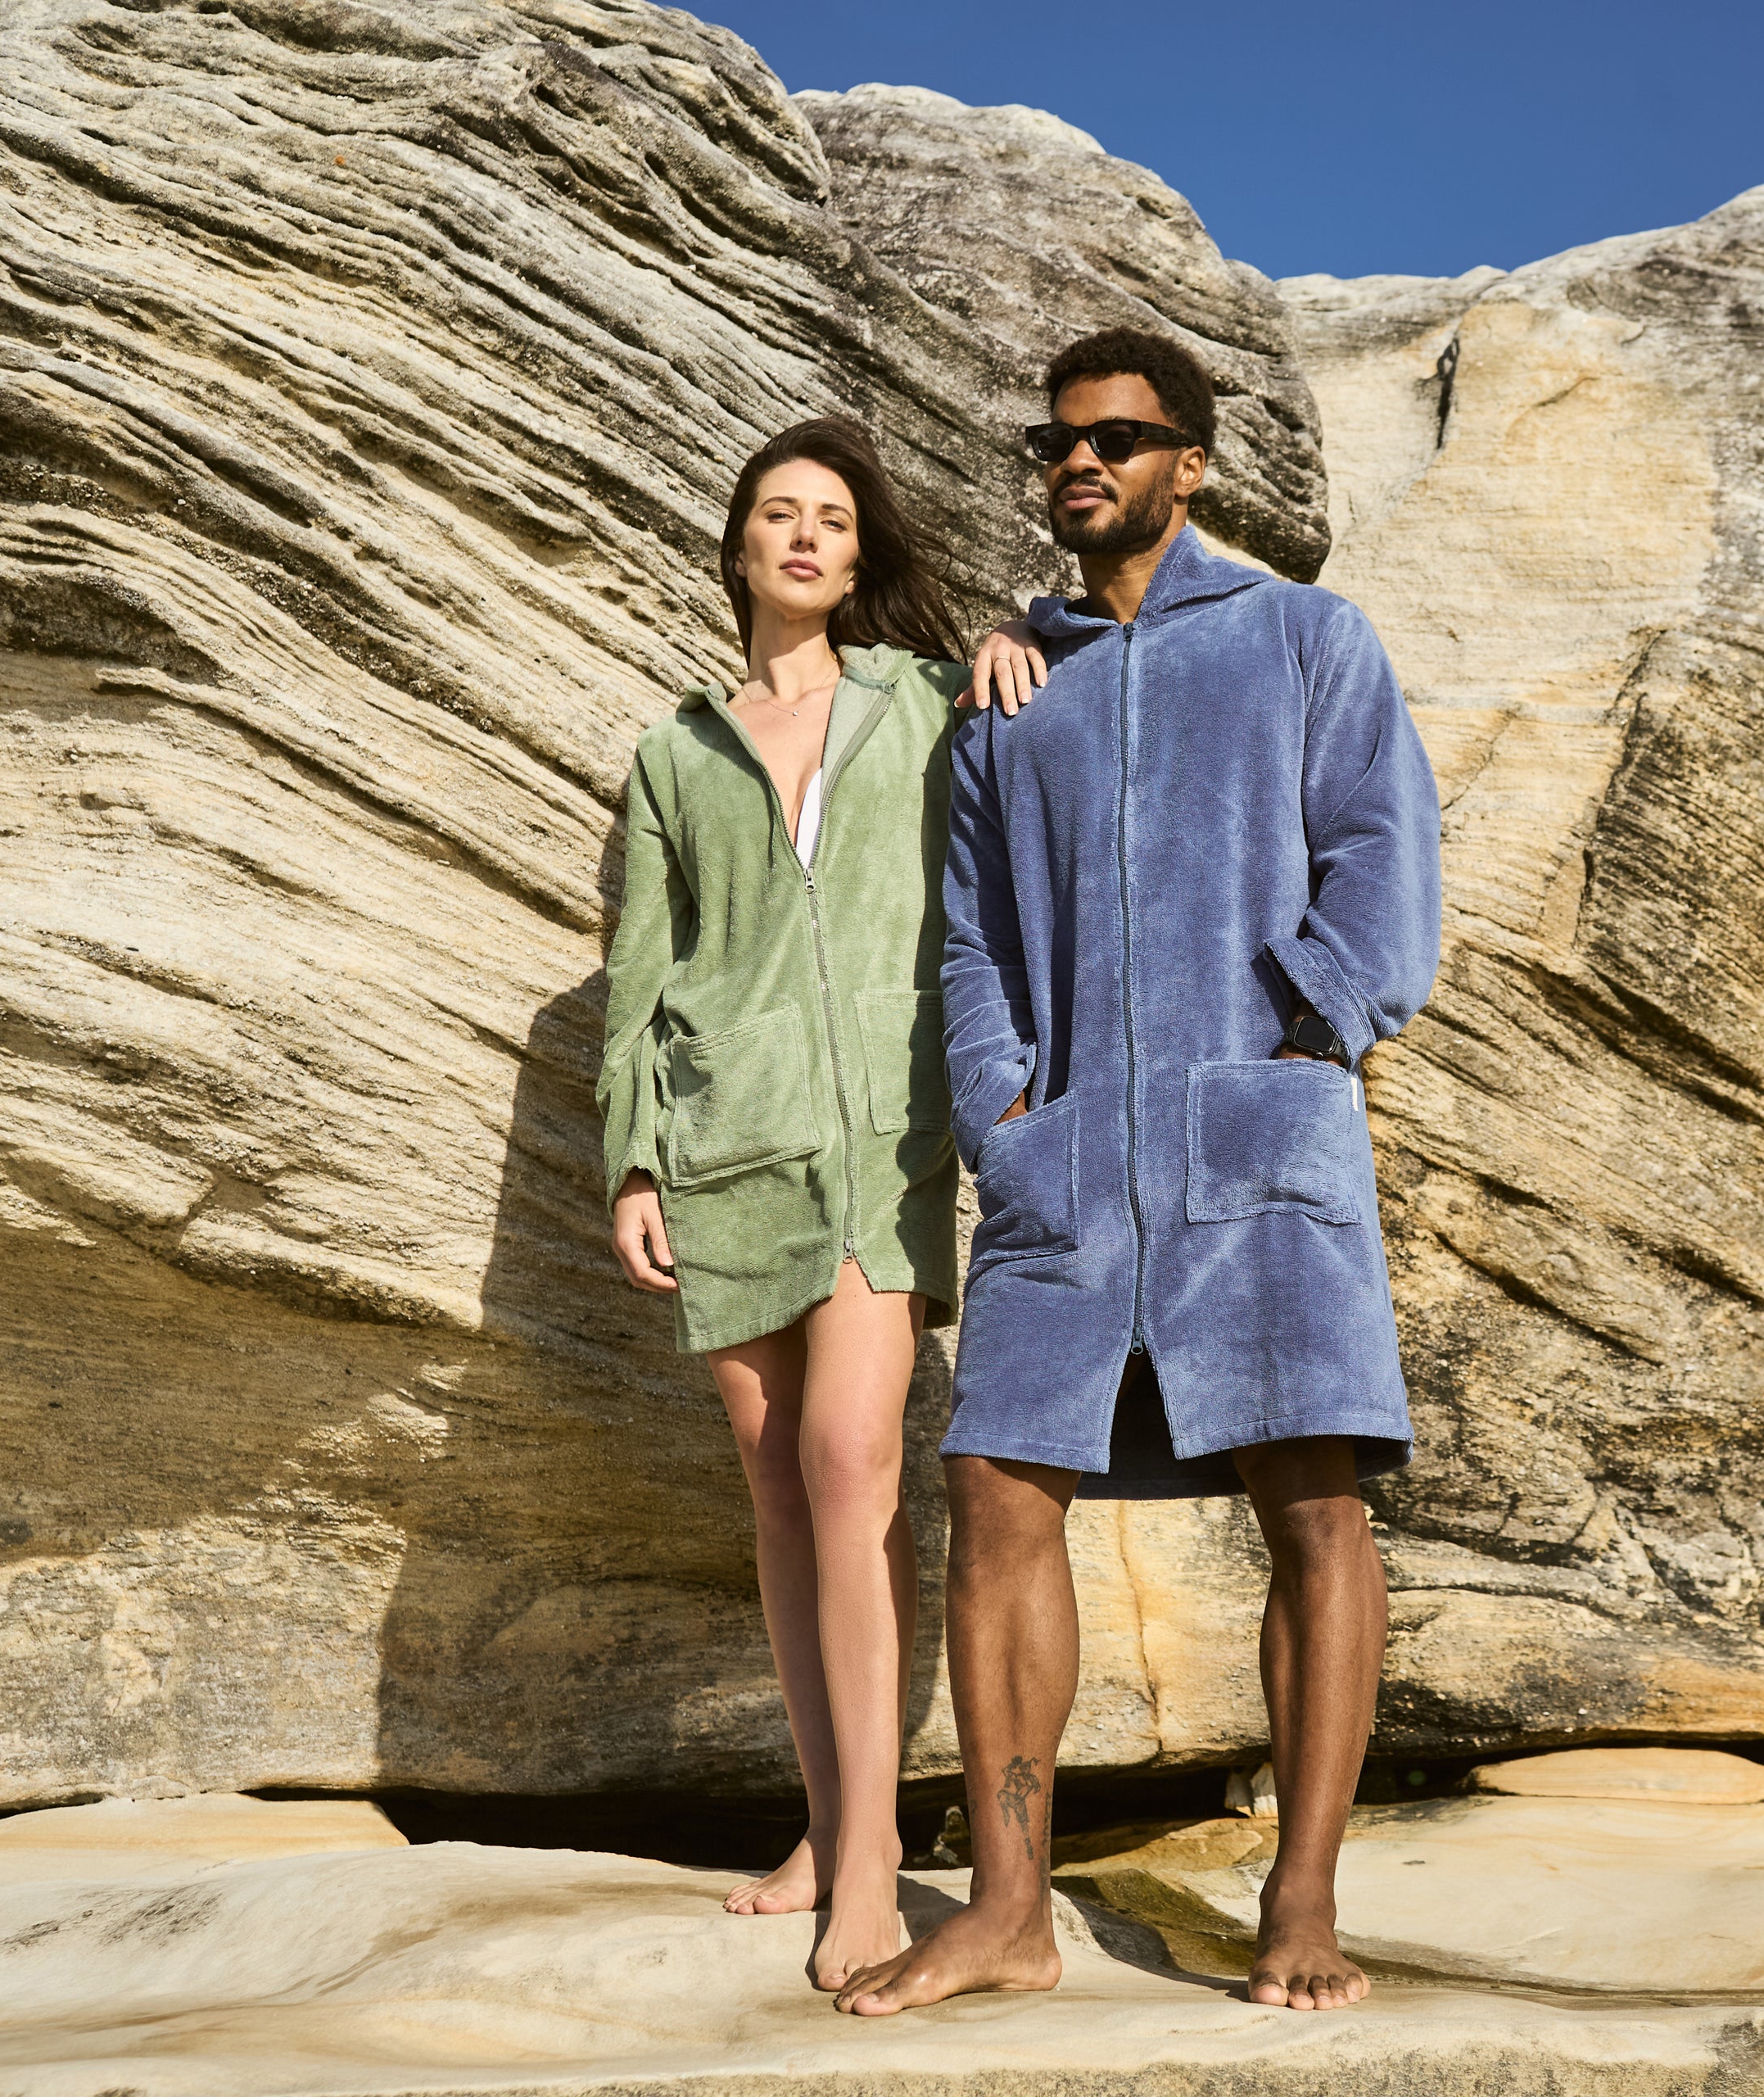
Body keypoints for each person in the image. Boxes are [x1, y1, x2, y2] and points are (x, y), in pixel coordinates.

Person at [834, 329, 1443, 2018]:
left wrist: (1307, 1032)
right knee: (995, 1490)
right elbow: (969, 935)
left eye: (1116, 436)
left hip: (1261, 1139)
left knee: (1312, 1498)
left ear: (1192, 462)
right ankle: (1010, 1907)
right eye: (1058, 442)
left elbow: (1384, 860)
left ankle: (1301, 1893)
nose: (1080, 461)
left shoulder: (1305, 637)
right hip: (1064, 1162)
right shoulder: (1010, 691)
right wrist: (1001, 1102)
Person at [598, 417, 996, 1992]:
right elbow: (642, 975)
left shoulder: (923, 701)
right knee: (779, 1493)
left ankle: (877, 1862)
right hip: (726, 1146)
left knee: (849, 1463)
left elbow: (1039, 720)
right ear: (742, 547)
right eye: (780, 513)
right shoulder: (675, 752)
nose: (809, 534)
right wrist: (634, 1160)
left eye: (833, 516)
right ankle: (826, 1827)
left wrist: (1017, 637)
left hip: (882, 1142)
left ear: (858, 551)